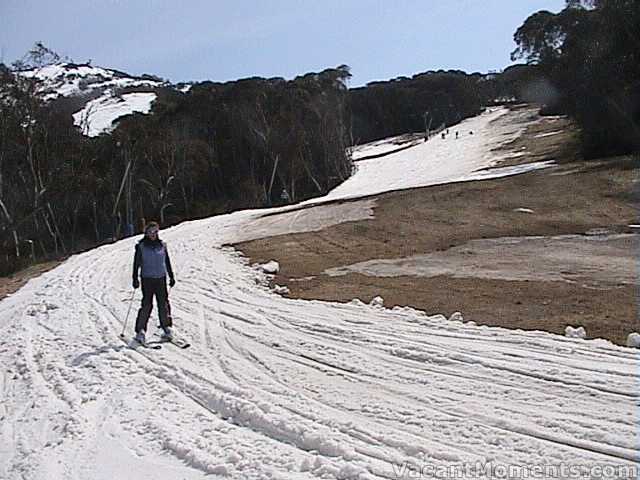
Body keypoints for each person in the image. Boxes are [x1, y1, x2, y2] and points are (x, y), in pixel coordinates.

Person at [132, 221, 176, 343]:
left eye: (155, 231)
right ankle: (140, 331)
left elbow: (167, 261)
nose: (153, 234)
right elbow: (136, 264)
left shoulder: (162, 245)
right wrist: (135, 278)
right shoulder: (141, 246)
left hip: (161, 278)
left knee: (163, 303)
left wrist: (171, 276)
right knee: (147, 305)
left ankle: (166, 327)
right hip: (147, 279)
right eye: (151, 232)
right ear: (146, 233)